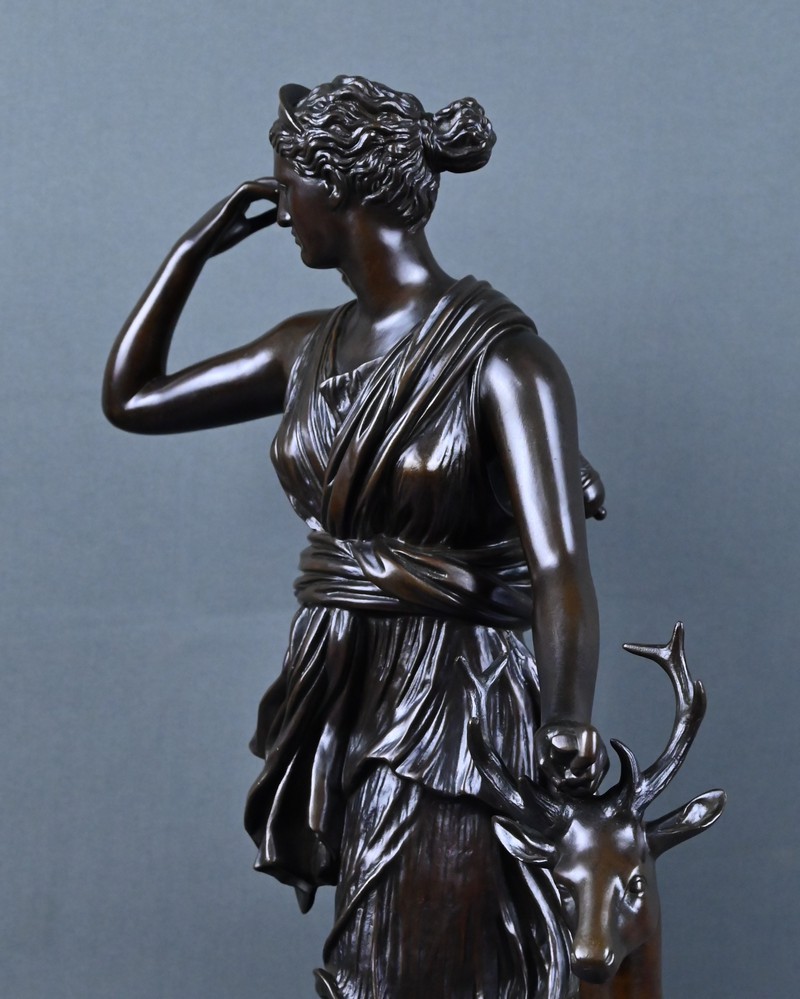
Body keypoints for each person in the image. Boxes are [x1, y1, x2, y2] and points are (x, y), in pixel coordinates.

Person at [103, 76, 608, 998]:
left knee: (422, 954)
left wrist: (568, 716)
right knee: (375, 956)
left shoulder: (507, 361)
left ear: (338, 184)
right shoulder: (305, 345)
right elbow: (132, 399)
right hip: (342, 684)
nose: (278, 206)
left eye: (286, 181)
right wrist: (192, 252)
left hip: (453, 704)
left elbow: (559, 564)